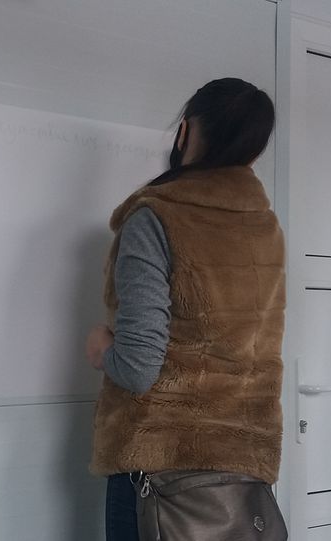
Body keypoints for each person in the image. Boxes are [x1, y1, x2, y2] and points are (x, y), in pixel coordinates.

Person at [84, 78, 285, 540]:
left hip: (159, 472)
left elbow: (137, 368)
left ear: (185, 132)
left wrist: (101, 348)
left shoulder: (157, 219)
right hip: (244, 471)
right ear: (253, 151)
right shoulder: (266, 229)